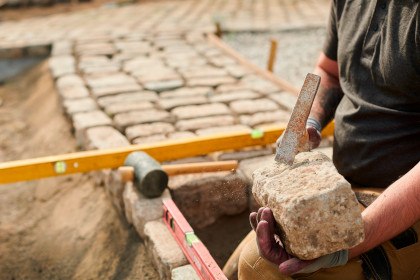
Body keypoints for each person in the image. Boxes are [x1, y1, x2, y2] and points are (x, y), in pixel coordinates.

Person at [237, 0, 420, 279]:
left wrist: (349, 244)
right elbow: (329, 70)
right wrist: (305, 119)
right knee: (237, 261)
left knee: (257, 268)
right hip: (347, 183)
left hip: (406, 207)